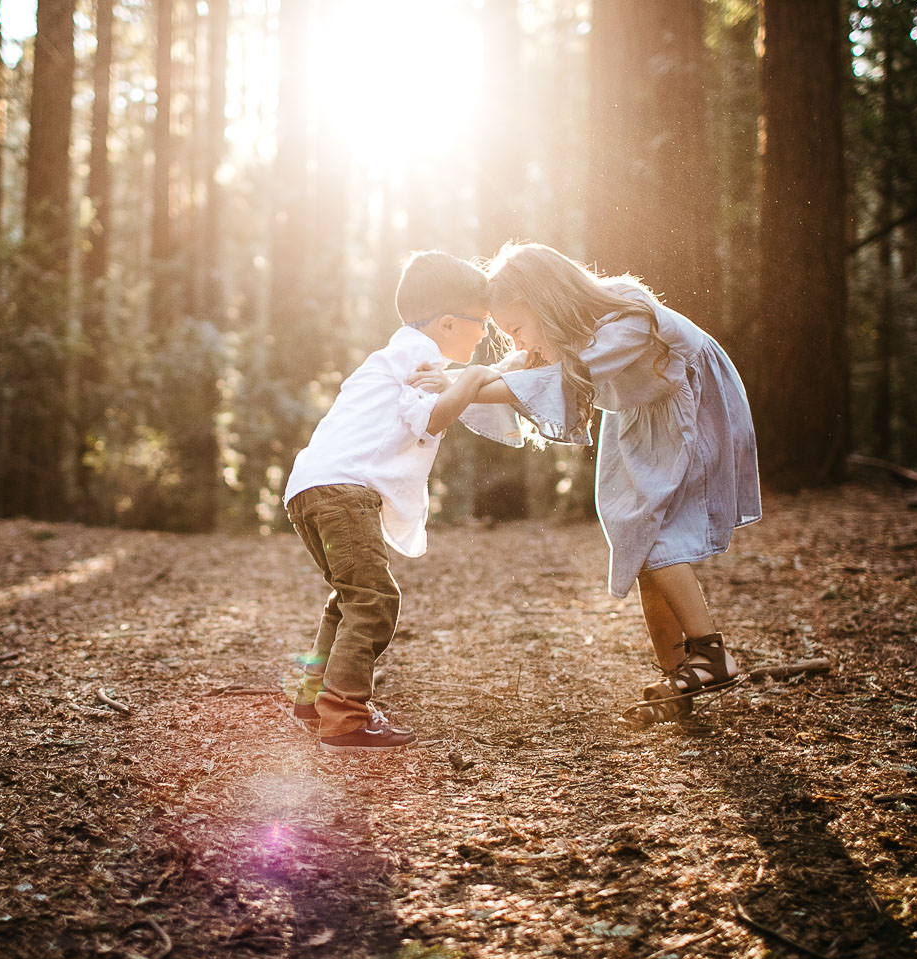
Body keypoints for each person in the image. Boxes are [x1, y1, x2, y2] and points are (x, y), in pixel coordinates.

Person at [482, 241, 761, 715]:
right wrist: (454, 382)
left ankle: (711, 653)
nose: (519, 344)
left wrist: (465, 390)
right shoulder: (572, 334)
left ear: (542, 300)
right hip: (646, 417)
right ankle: (679, 678)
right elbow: (513, 370)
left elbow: (562, 380)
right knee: (637, 537)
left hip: (694, 409)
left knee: (656, 538)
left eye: (517, 329)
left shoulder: (626, 315)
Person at [282, 251, 501, 753]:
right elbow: (433, 418)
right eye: (482, 323)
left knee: (349, 597)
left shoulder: (396, 353)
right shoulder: (419, 358)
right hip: (345, 490)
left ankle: (313, 700)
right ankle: (345, 716)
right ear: (448, 324)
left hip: (311, 487)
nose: (484, 334)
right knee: (375, 601)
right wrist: (473, 377)